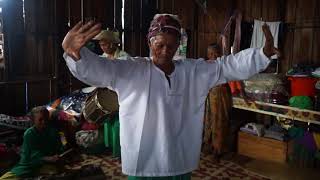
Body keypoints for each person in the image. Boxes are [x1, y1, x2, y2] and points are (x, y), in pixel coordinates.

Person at [62, 14, 280, 179]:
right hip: (143, 163)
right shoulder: (130, 70)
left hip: (179, 159)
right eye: (160, 45)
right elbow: (100, 69)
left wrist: (261, 55)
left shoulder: (192, 71)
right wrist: (75, 54)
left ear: (178, 45)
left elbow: (226, 66)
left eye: (171, 45)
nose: (166, 50)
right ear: (150, 43)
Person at [0, 106, 63, 179]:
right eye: (40, 120)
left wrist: (58, 156)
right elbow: (34, 155)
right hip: (28, 165)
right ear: (33, 121)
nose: (44, 122)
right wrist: (48, 158)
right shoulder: (29, 133)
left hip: (48, 164)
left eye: (46, 119)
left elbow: (59, 148)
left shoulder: (53, 131)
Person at [203, 43, 232, 161]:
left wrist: (243, 93)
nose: (213, 56)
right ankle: (208, 144)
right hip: (210, 95)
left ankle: (218, 149)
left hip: (221, 95)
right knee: (209, 119)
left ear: (219, 54)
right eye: (210, 54)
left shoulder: (223, 64)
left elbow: (236, 79)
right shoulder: (206, 65)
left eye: (215, 53)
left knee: (219, 120)